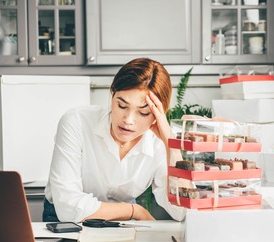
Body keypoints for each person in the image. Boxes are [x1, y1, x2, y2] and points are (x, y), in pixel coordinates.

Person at [43, 57, 185, 223]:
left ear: (157, 115)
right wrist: (135, 211)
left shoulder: (158, 142)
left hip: (122, 218)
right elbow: (68, 207)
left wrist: (171, 145)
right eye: (122, 106)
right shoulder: (76, 121)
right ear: (112, 96)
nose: (129, 120)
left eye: (144, 113)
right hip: (65, 219)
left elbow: (181, 210)